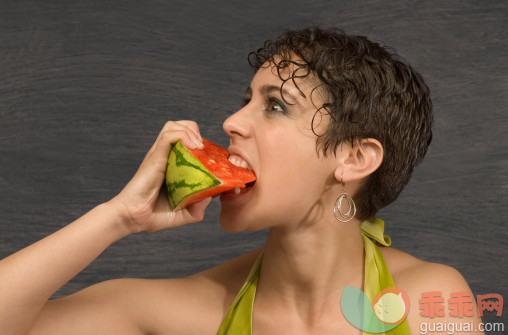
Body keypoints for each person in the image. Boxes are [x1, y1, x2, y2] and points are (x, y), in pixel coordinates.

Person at [0, 27, 483, 335]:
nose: (231, 121)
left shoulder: (429, 301)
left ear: (354, 157)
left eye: (274, 105)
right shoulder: (193, 314)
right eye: (245, 100)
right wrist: (118, 217)